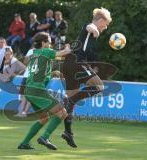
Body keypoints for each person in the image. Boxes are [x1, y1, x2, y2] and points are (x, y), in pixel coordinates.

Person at [61, 7, 112, 148]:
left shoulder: (89, 37)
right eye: (105, 24)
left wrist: (92, 67)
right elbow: (89, 26)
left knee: (70, 104)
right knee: (99, 86)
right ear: (100, 20)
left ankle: (68, 132)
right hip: (77, 63)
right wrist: (95, 29)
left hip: (69, 64)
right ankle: (70, 100)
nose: (105, 28)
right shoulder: (89, 27)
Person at [18, 32, 71, 150]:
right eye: (49, 42)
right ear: (43, 43)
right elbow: (64, 53)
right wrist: (68, 47)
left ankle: (24, 143)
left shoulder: (35, 53)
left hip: (29, 90)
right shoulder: (46, 52)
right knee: (62, 112)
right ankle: (45, 137)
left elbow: (38, 73)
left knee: (44, 118)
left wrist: (53, 73)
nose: (51, 45)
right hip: (37, 90)